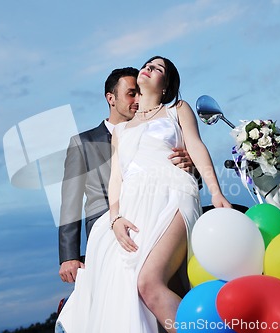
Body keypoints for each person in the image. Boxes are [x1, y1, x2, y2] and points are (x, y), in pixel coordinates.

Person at [56, 56, 232, 333]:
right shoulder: (104, 136)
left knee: (149, 282)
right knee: (123, 291)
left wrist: (214, 190)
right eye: (146, 66)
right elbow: (101, 185)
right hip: (127, 211)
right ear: (110, 98)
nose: (148, 70)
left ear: (165, 86)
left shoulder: (178, 109)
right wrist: (113, 220)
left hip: (172, 195)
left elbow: (195, 149)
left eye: (157, 68)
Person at [59, 67, 196, 283]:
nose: (137, 99)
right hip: (106, 223)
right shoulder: (82, 143)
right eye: (131, 93)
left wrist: (190, 167)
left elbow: (186, 179)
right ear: (111, 98)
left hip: (156, 215)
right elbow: (70, 203)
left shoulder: (160, 130)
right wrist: (69, 256)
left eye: (139, 93)